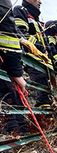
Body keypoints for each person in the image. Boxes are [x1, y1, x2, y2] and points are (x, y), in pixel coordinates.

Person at [13, 0, 53, 107]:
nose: (40, 2)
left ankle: (46, 114)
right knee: (41, 94)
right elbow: (22, 33)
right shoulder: (20, 10)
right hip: (30, 58)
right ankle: (43, 114)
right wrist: (40, 49)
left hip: (41, 59)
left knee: (47, 90)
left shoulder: (36, 19)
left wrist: (47, 50)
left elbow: (43, 40)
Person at [0, 0, 28, 134]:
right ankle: (15, 135)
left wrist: (22, 38)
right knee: (8, 93)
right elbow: (7, 34)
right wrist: (16, 72)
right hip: (6, 61)